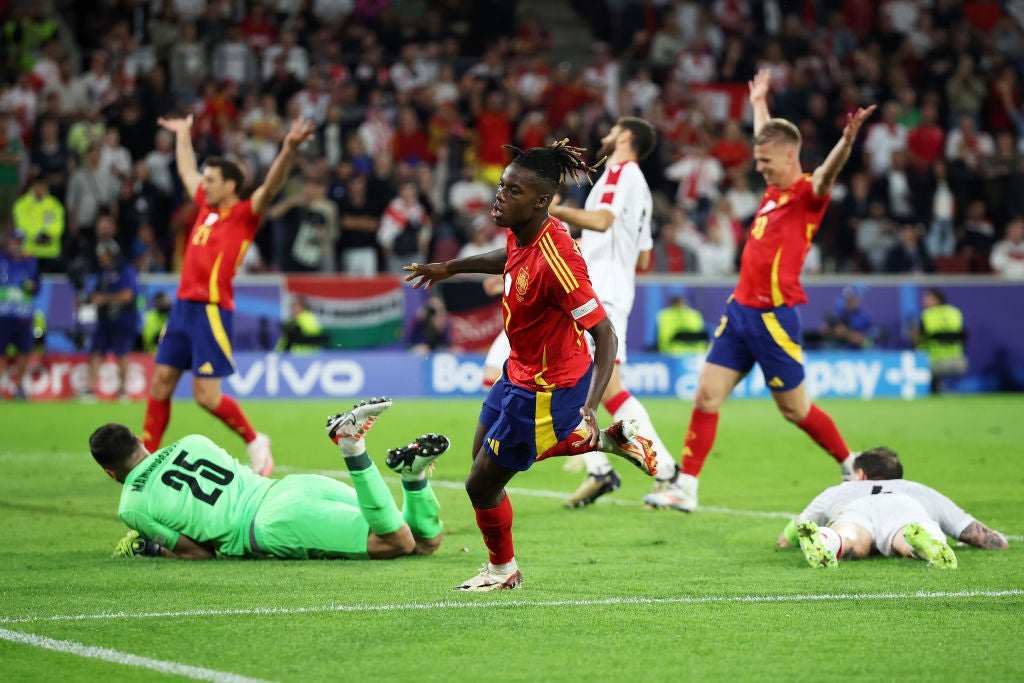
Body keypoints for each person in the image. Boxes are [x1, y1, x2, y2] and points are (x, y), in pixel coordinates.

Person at [404, 139, 658, 591]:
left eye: (513, 191)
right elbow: (507, 259)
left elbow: (605, 334)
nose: (500, 196)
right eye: (502, 185)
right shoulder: (522, 230)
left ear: (543, 202)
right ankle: (607, 443)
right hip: (519, 370)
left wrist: (591, 404)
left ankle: (503, 571)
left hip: (549, 386)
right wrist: (450, 268)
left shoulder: (558, 259)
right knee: (483, 459)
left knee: (481, 485)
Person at [645, 70, 875, 513]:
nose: (759, 166)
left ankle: (850, 464)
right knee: (706, 396)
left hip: (774, 317)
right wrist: (757, 103)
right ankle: (686, 488)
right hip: (740, 313)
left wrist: (846, 142)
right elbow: (766, 138)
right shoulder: (772, 191)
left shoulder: (808, 194)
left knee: (795, 410)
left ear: (791, 157)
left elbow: (826, 173)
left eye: (766, 160)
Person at [141, 114, 315, 476]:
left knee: (206, 396)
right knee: (161, 381)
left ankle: (255, 440)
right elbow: (187, 171)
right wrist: (184, 134)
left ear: (231, 185)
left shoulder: (243, 214)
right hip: (183, 307)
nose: (203, 184)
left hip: (212, 310)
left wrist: (288, 149)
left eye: (212, 180)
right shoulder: (205, 206)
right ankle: (145, 461)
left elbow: (269, 187)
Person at [94, 398, 448, 561]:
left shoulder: (132, 505)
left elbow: (196, 553)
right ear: (141, 442)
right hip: (291, 487)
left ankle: (352, 446)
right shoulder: (191, 442)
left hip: (272, 524)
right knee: (423, 543)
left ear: (111, 473)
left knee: (396, 542)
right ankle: (414, 476)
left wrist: (158, 549)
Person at [548, 116, 682, 508]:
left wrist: (556, 212)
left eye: (611, 131)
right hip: (611, 286)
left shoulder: (622, 174)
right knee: (583, 380)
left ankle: (664, 470)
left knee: (606, 386)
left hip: (602, 290)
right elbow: (642, 256)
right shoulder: (633, 184)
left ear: (625, 137)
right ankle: (600, 468)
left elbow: (603, 222)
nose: (604, 135)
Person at [777, 447, 1008, 569]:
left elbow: (792, 533)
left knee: (848, 534)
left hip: (853, 508)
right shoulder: (916, 489)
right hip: (905, 506)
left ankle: (829, 542)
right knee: (910, 530)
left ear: (860, 475)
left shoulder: (840, 490)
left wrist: (787, 539)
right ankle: (927, 543)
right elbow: (977, 534)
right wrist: (998, 540)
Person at [82, 240, 140, 401]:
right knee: (96, 352)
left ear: (111, 254)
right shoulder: (103, 272)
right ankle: (90, 389)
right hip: (104, 319)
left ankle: (122, 391)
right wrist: (89, 299)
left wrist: (104, 299)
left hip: (123, 318)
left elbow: (128, 295)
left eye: (103, 254)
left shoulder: (125, 271)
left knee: (121, 354)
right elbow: (97, 294)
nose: (100, 258)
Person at [0, 230, 38, 399]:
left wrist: (32, 286)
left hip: (24, 316)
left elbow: (38, 287)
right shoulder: (1, 260)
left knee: (24, 352)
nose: (18, 245)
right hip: (3, 314)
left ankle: (20, 387)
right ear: (9, 243)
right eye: (15, 241)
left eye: (21, 242)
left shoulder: (30, 263)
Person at [912, 287, 967, 395]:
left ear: (937, 299)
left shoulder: (928, 315)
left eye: (928, 298)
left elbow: (919, 340)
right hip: (959, 361)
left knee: (917, 367)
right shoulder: (955, 312)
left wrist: (914, 336)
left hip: (935, 362)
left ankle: (936, 390)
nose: (925, 301)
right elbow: (962, 335)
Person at [816, 285, 876, 350]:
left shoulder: (864, 316)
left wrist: (845, 333)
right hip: (841, 349)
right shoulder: (840, 312)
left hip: (858, 351)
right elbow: (828, 331)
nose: (849, 302)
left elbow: (864, 340)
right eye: (847, 299)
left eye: (852, 299)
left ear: (857, 299)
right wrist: (829, 331)